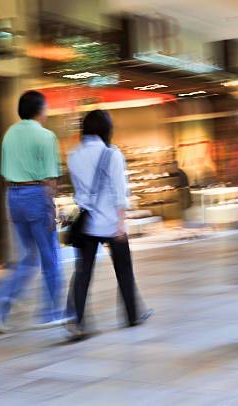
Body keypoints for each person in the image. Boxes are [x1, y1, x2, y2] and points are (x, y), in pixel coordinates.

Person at [66, 110, 152, 340]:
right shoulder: (111, 154)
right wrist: (121, 224)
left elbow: (79, 191)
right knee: (124, 270)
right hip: (110, 222)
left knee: (83, 272)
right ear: (106, 129)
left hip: (86, 222)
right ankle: (132, 315)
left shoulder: (73, 155)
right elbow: (120, 193)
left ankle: (78, 319)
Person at [0, 90, 64, 332]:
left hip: (13, 196)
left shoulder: (9, 134)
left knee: (28, 258)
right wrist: (51, 209)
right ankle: (50, 312)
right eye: (46, 107)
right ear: (40, 110)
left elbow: (3, 173)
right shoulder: (46, 136)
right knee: (50, 256)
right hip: (36, 195)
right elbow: (50, 179)